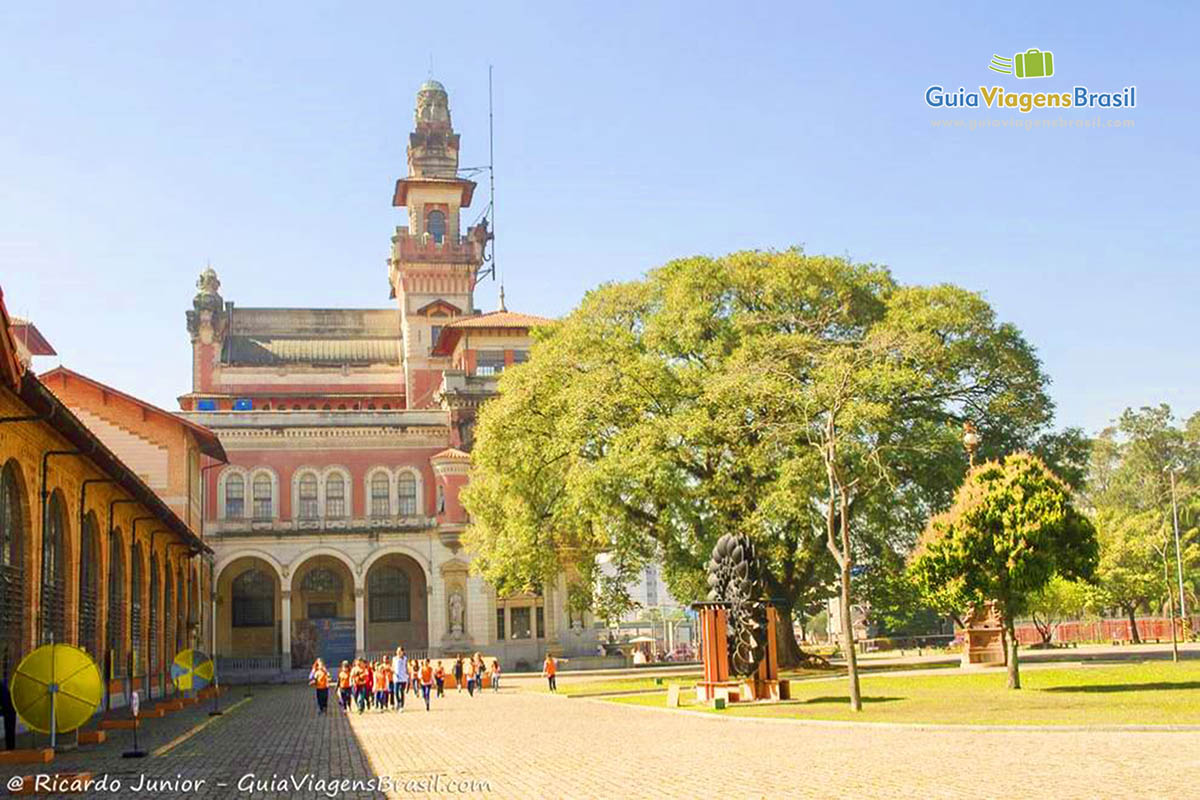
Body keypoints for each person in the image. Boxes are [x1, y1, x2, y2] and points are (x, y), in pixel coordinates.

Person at [392, 647, 408, 712]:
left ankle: (401, 705)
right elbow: (393, 666)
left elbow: (406, 667)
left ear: (402, 652)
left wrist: (407, 675)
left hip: (403, 678)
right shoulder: (394, 658)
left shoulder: (405, 659)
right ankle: (398, 702)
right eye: (397, 651)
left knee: (401, 691)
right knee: (395, 692)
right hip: (396, 677)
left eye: (400, 651)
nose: (398, 652)